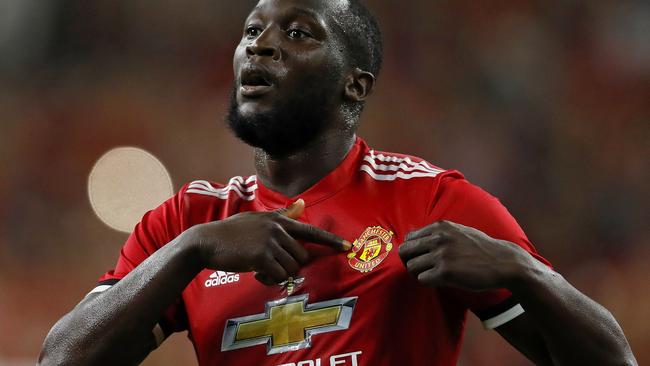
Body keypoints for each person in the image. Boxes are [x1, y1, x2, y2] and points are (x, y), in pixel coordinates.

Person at [39, 0, 637, 365]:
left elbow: (613, 358)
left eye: (298, 34)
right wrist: (193, 251)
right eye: (251, 33)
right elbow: (61, 360)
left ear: (355, 84)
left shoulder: (431, 201)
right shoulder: (185, 223)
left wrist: (517, 268)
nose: (261, 45)